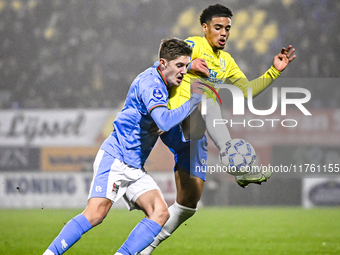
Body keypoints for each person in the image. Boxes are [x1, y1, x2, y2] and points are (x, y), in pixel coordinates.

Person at [140, 4, 296, 254]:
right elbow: (164, 68)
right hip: (176, 121)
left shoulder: (226, 61)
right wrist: (188, 68)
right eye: (218, 27)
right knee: (207, 96)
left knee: (189, 202)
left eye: (228, 29)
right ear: (205, 28)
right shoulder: (193, 45)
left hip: (196, 135)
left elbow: (246, 92)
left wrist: (273, 72)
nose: (224, 33)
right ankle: (236, 161)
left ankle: (146, 246)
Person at [42, 38, 204, 255]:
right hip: (116, 157)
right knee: (95, 214)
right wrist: (194, 100)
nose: (184, 72)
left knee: (159, 212)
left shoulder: (162, 79)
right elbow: (164, 121)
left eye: (186, 65)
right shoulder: (151, 85)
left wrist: (190, 68)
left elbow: (163, 120)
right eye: (180, 66)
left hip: (135, 166)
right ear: (163, 63)